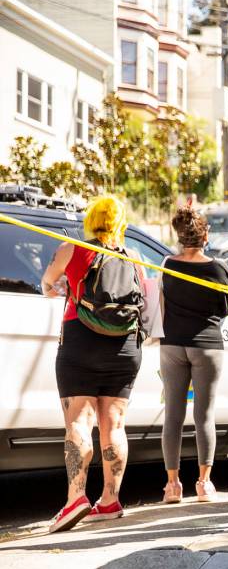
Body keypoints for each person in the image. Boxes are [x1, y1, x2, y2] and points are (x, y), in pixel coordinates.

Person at [41, 196, 144, 532]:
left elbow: (46, 285)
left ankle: (75, 499)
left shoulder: (71, 248)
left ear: (91, 220)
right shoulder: (134, 257)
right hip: (125, 345)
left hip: (81, 340)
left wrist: (61, 286)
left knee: (79, 421)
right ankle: (110, 500)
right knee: (114, 423)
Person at [159, 206, 228, 504]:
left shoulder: (168, 264)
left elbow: (161, 300)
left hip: (172, 345)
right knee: (204, 414)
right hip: (207, 345)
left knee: (173, 416)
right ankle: (204, 483)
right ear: (205, 235)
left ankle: (172, 485)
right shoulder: (217, 268)